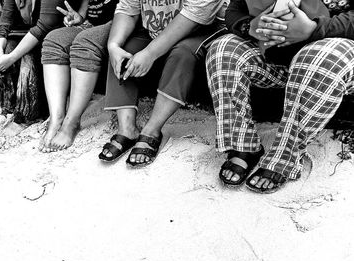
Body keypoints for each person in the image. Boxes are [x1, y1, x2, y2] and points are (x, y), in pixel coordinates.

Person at [206, 0, 354, 193]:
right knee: (223, 48)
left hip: (332, 52)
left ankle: (285, 157)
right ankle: (242, 145)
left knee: (319, 56)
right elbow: (236, 9)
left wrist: (314, 29)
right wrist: (249, 26)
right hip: (276, 57)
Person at [98, 0, 228, 167]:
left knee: (183, 54)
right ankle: (127, 129)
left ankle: (152, 130)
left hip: (202, 27)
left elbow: (197, 12)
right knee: (123, 51)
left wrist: (150, 53)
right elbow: (128, 8)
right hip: (156, 29)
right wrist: (113, 45)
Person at [39, 0, 118, 152]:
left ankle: (71, 122)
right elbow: (86, 8)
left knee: (85, 42)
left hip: (120, 23)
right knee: (54, 39)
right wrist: (79, 18)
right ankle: (56, 119)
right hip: (91, 26)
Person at [0, 0, 81, 122]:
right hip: (29, 33)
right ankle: (10, 108)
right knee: (8, 47)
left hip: (53, 33)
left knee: (28, 57)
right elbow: (4, 23)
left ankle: (30, 113)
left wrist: (12, 57)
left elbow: (45, 24)